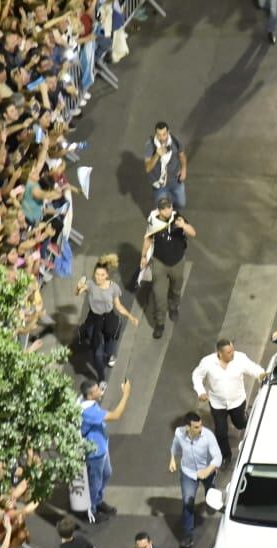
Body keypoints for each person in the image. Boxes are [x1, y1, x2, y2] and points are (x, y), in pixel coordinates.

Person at [191, 339, 266, 463]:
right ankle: (226, 456)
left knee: (239, 424)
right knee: (220, 432)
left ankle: (244, 418)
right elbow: (197, 375)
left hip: (237, 401)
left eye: (233, 350)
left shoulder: (240, 358)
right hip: (218, 404)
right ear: (220, 353)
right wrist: (201, 391)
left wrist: (262, 374)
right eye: (229, 352)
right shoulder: (207, 362)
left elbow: (252, 368)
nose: (233, 353)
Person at [75, 254, 138, 386]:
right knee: (97, 353)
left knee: (110, 347)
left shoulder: (113, 288)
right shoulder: (91, 285)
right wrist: (79, 286)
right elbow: (78, 291)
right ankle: (102, 379)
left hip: (108, 318)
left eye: (102, 275)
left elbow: (118, 306)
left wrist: (130, 316)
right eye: (97, 274)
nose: (99, 277)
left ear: (107, 275)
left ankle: (110, 354)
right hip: (94, 319)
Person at [141, 197, 196, 338]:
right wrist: (143, 256)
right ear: (159, 210)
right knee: (159, 296)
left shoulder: (178, 218)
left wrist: (184, 226)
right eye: (164, 208)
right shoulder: (153, 221)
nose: (168, 210)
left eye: (169, 207)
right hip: (159, 263)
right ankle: (160, 323)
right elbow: (148, 238)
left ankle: (173, 307)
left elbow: (193, 233)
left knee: (176, 289)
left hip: (177, 262)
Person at [79, 378, 132, 522]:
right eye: (97, 390)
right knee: (95, 482)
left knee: (107, 474)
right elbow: (116, 415)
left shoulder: (85, 401)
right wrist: (126, 394)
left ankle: (98, 500)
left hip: (102, 446)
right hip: (94, 452)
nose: (101, 391)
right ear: (90, 395)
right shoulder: (89, 411)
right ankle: (91, 511)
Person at [169, 411, 222, 548]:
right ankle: (187, 536)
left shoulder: (208, 436)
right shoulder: (179, 434)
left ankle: (210, 500)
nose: (200, 429)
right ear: (188, 427)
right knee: (187, 502)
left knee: (210, 493)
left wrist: (207, 471)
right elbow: (175, 446)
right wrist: (172, 458)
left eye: (201, 425)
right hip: (188, 473)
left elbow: (218, 457)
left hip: (207, 471)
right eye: (196, 427)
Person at [144, 121, 187, 208]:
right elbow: (148, 168)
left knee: (181, 204)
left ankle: (172, 212)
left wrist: (184, 169)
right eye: (159, 135)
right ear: (155, 134)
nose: (162, 138)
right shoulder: (150, 145)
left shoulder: (175, 141)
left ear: (168, 132)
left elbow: (182, 156)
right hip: (159, 184)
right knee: (162, 208)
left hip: (175, 180)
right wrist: (157, 155)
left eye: (164, 134)